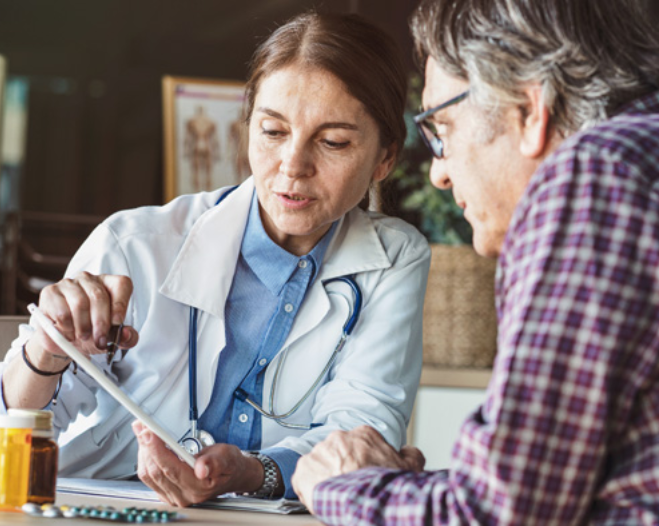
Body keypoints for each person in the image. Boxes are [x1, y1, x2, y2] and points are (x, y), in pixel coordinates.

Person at [291, 0, 659, 523]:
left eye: (442, 128)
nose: (439, 171)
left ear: (528, 110)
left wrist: (342, 486)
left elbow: (501, 512)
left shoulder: (599, 176)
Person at [0, 12, 430, 507]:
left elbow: (360, 440)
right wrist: (46, 354)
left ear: (385, 158)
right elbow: (18, 421)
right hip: (102, 510)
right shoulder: (134, 243)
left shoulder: (394, 259)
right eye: (272, 131)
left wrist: (251, 473)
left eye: (333, 142)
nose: (292, 166)